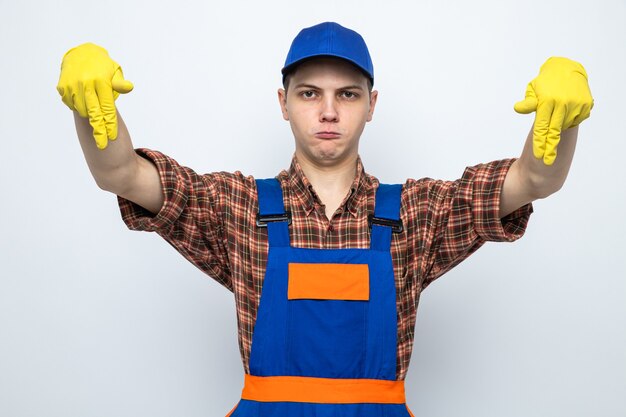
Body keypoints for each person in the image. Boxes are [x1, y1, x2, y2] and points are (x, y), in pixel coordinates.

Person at [56, 22, 593, 417]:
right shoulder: (237, 210)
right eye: (310, 94)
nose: (329, 112)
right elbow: (123, 174)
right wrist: (92, 107)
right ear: (284, 103)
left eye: (347, 95)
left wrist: (559, 120)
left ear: (372, 104)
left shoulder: (416, 215)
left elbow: (533, 180)